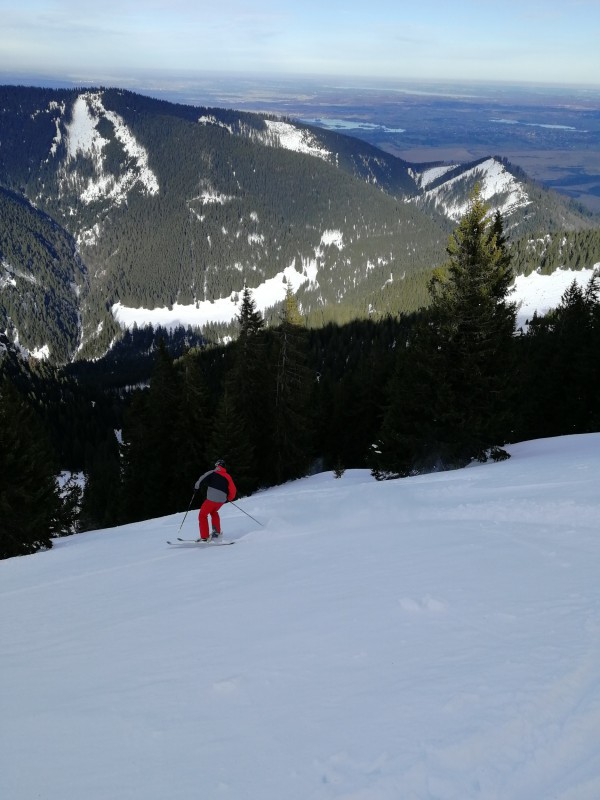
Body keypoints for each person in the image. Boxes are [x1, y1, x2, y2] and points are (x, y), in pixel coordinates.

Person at [194, 459, 236, 542]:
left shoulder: (213, 472)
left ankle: (204, 537)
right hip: (221, 501)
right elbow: (233, 490)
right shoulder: (228, 476)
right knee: (213, 512)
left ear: (217, 465)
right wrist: (229, 498)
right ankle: (216, 532)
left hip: (211, 499)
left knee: (202, 515)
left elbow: (202, 478)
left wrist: (196, 487)